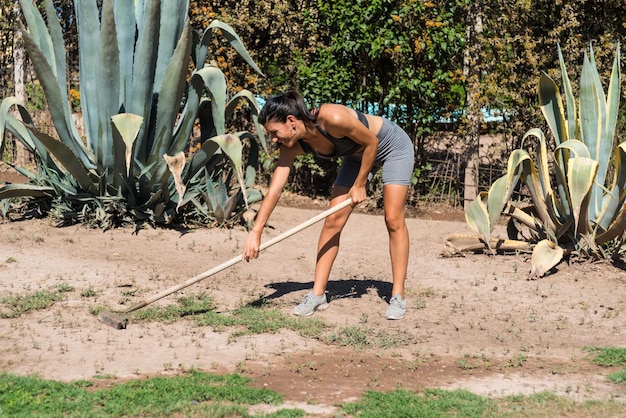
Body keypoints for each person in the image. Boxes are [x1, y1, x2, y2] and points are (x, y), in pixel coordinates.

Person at [242, 89, 414, 320]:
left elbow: (372, 142)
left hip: (390, 146)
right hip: (357, 156)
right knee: (332, 220)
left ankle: (398, 296)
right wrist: (256, 231)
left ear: (291, 121)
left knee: (393, 218)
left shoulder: (331, 118)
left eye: (274, 132)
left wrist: (361, 184)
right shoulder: (291, 145)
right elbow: (275, 188)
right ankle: (317, 294)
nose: (273, 139)